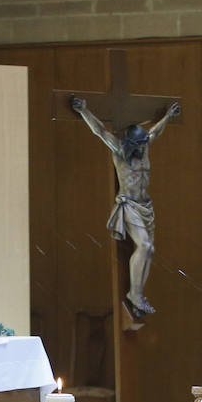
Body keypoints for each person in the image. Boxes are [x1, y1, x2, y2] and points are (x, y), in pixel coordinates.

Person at [71, 96, 180, 317]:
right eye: (139, 145)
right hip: (129, 205)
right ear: (131, 144)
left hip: (145, 206)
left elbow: (154, 133)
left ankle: (138, 295)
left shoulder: (144, 147)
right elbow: (100, 131)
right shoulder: (120, 151)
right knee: (145, 246)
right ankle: (135, 295)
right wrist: (84, 110)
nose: (143, 148)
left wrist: (168, 117)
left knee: (150, 250)